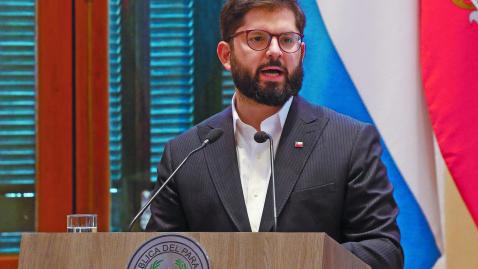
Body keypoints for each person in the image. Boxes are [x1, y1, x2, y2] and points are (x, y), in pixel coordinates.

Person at [146, 0, 403, 268]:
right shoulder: (185, 154)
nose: (274, 51)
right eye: (257, 38)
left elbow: (383, 251)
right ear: (226, 55)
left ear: (301, 53)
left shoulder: (349, 142)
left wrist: (297, 259)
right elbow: (158, 256)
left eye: (287, 40)